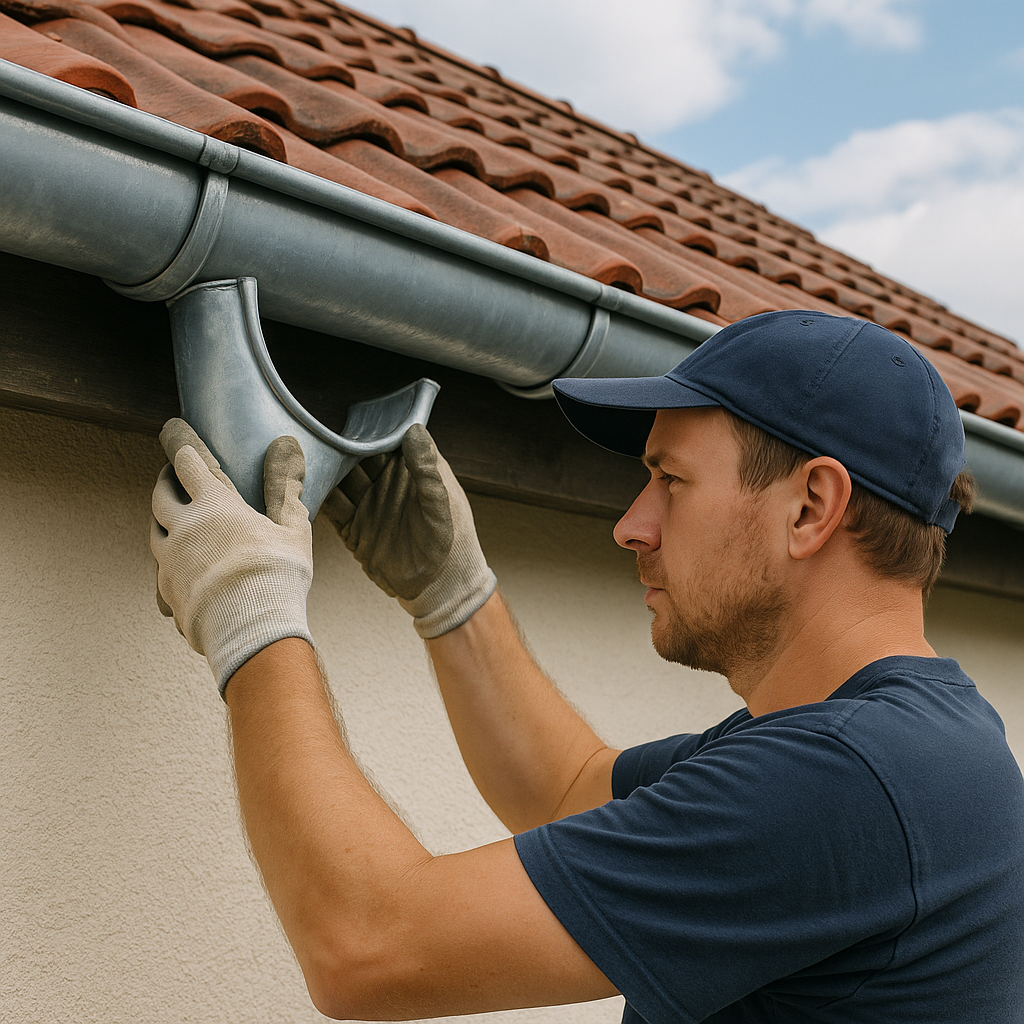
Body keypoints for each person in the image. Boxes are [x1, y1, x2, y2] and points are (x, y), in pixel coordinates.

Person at [150, 309, 1024, 1023]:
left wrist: (250, 612)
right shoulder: (905, 740)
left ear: (812, 507)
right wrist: (453, 596)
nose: (632, 525)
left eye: (670, 480)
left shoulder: (847, 779)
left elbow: (369, 945)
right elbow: (571, 786)